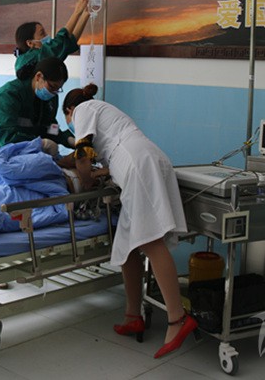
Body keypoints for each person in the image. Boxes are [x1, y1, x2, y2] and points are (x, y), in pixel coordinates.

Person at [58, 83, 197, 359]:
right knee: (128, 246)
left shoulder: (83, 109)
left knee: (151, 241)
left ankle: (177, 318)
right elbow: (105, 158)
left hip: (138, 165)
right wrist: (86, 170)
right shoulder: (106, 112)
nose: (71, 125)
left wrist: (85, 179)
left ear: (69, 110)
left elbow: (83, 155)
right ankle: (133, 315)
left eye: (67, 120)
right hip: (144, 159)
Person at [0, 57, 72, 167]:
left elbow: (50, 126)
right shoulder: (8, 95)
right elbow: (7, 137)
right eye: (52, 86)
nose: (54, 92)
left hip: (6, 151)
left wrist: (67, 139)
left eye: (58, 89)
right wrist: (41, 143)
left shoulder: (50, 98)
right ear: (38, 76)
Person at [14, 0, 89, 79]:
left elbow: (68, 44)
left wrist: (85, 14)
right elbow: (58, 44)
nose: (47, 36)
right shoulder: (28, 59)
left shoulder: (44, 55)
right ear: (30, 43)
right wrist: (77, 12)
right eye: (42, 33)